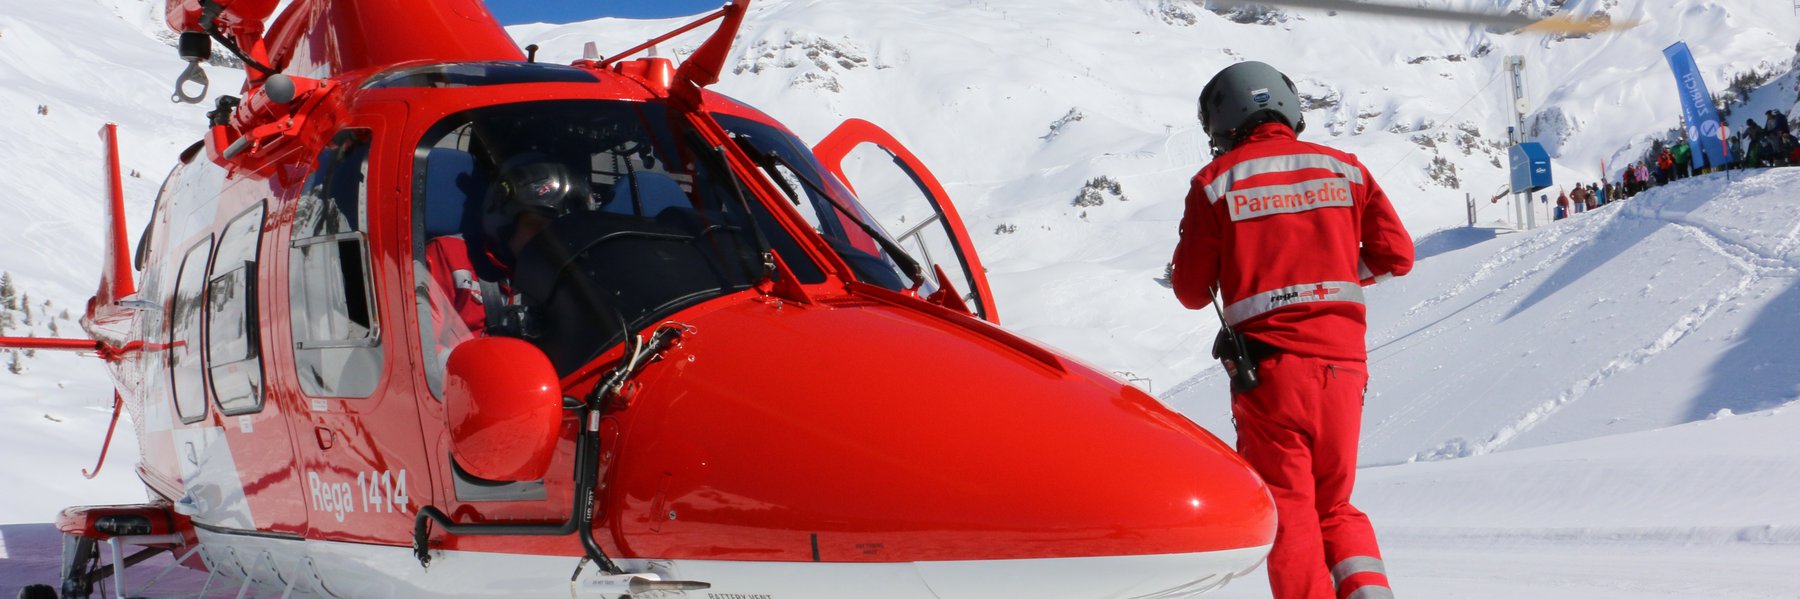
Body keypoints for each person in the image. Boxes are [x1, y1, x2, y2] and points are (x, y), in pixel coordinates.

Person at [1172, 61, 1412, 599]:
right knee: (1337, 506)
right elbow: (1397, 256)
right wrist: (1332, 278)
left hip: (1271, 378)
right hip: (1345, 372)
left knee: (1292, 511)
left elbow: (1191, 293)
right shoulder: (1346, 169)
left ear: (1221, 120)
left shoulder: (1215, 184)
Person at [426, 154, 582, 337]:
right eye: (536, 226)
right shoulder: (449, 256)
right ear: (506, 222)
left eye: (557, 231)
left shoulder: (569, 282)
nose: (546, 240)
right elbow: (420, 347)